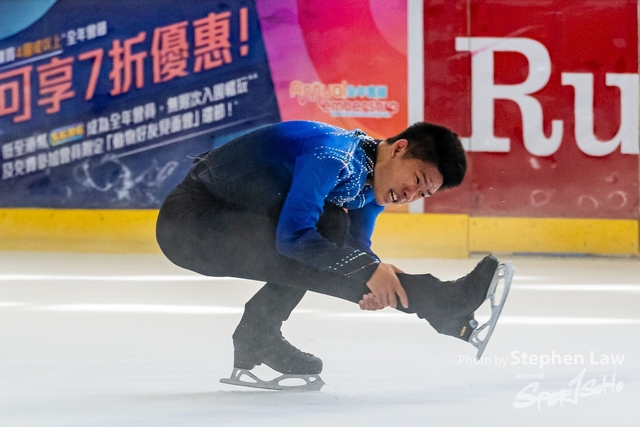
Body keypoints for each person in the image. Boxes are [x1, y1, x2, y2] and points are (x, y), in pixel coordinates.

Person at [156, 120, 513, 391]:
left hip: (239, 217)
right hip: (192, 223)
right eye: (417, 179)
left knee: (331, 228)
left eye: (423, 194)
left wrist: (374, 277)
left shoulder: (371, 186)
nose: (410, 195)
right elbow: (295, 237)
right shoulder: (332, 153)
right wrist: (368, 272)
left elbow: (352, 249)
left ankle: (257, 336)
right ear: (399, 148)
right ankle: (442, 303)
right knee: (321, 234)